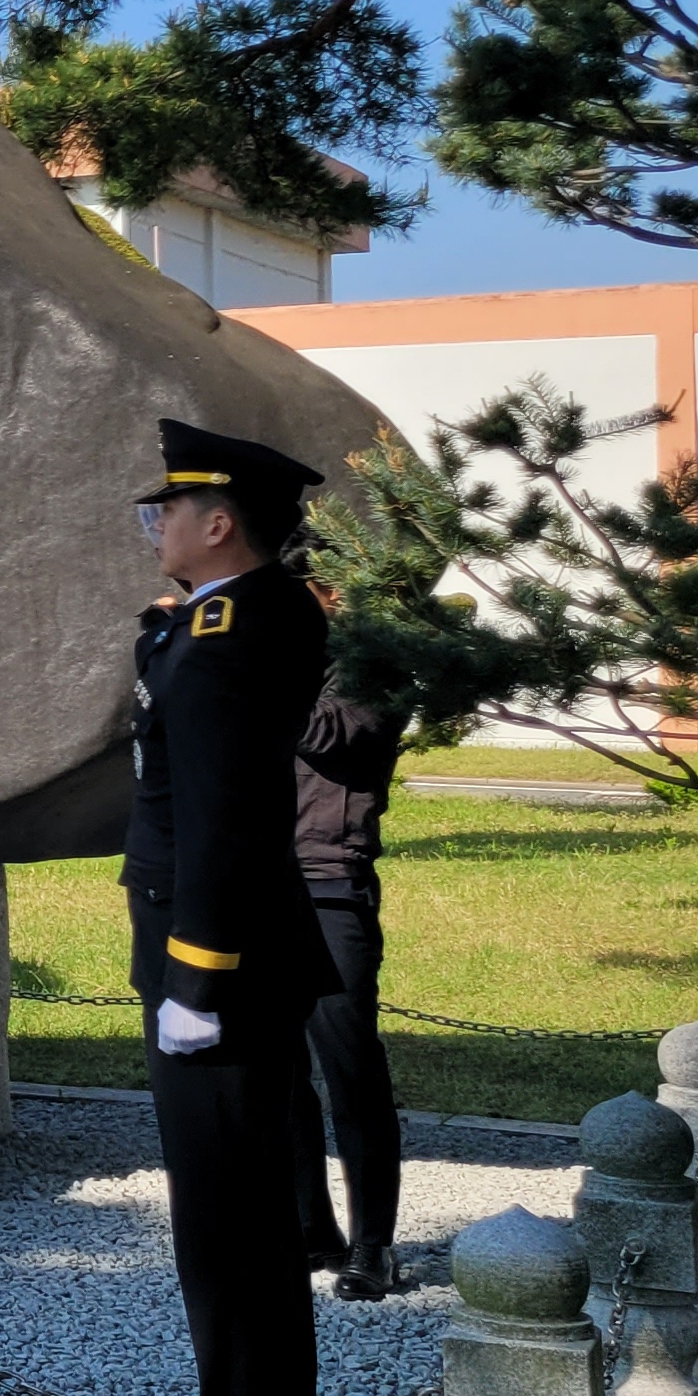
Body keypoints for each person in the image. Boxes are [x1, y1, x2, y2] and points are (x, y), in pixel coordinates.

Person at [119, 418, 339, 1396]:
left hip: (216, 968)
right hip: (227, 958)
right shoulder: (232, 620)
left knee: (230, 1225)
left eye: (168, 509)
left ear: (219, 524)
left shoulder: (225, 637)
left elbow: (223, 824)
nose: (154, 525)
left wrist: (195, 984)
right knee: (237, 1215)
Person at [288, 545, 410, 1301]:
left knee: (350, 1069)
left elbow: (331, 735)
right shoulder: (283, 663)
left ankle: (374, 1244)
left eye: (302, 590)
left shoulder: (375, 666)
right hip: (265, 879)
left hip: (331, 884)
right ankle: (311, 1225)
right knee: (278, 1069)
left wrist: (268, 666)